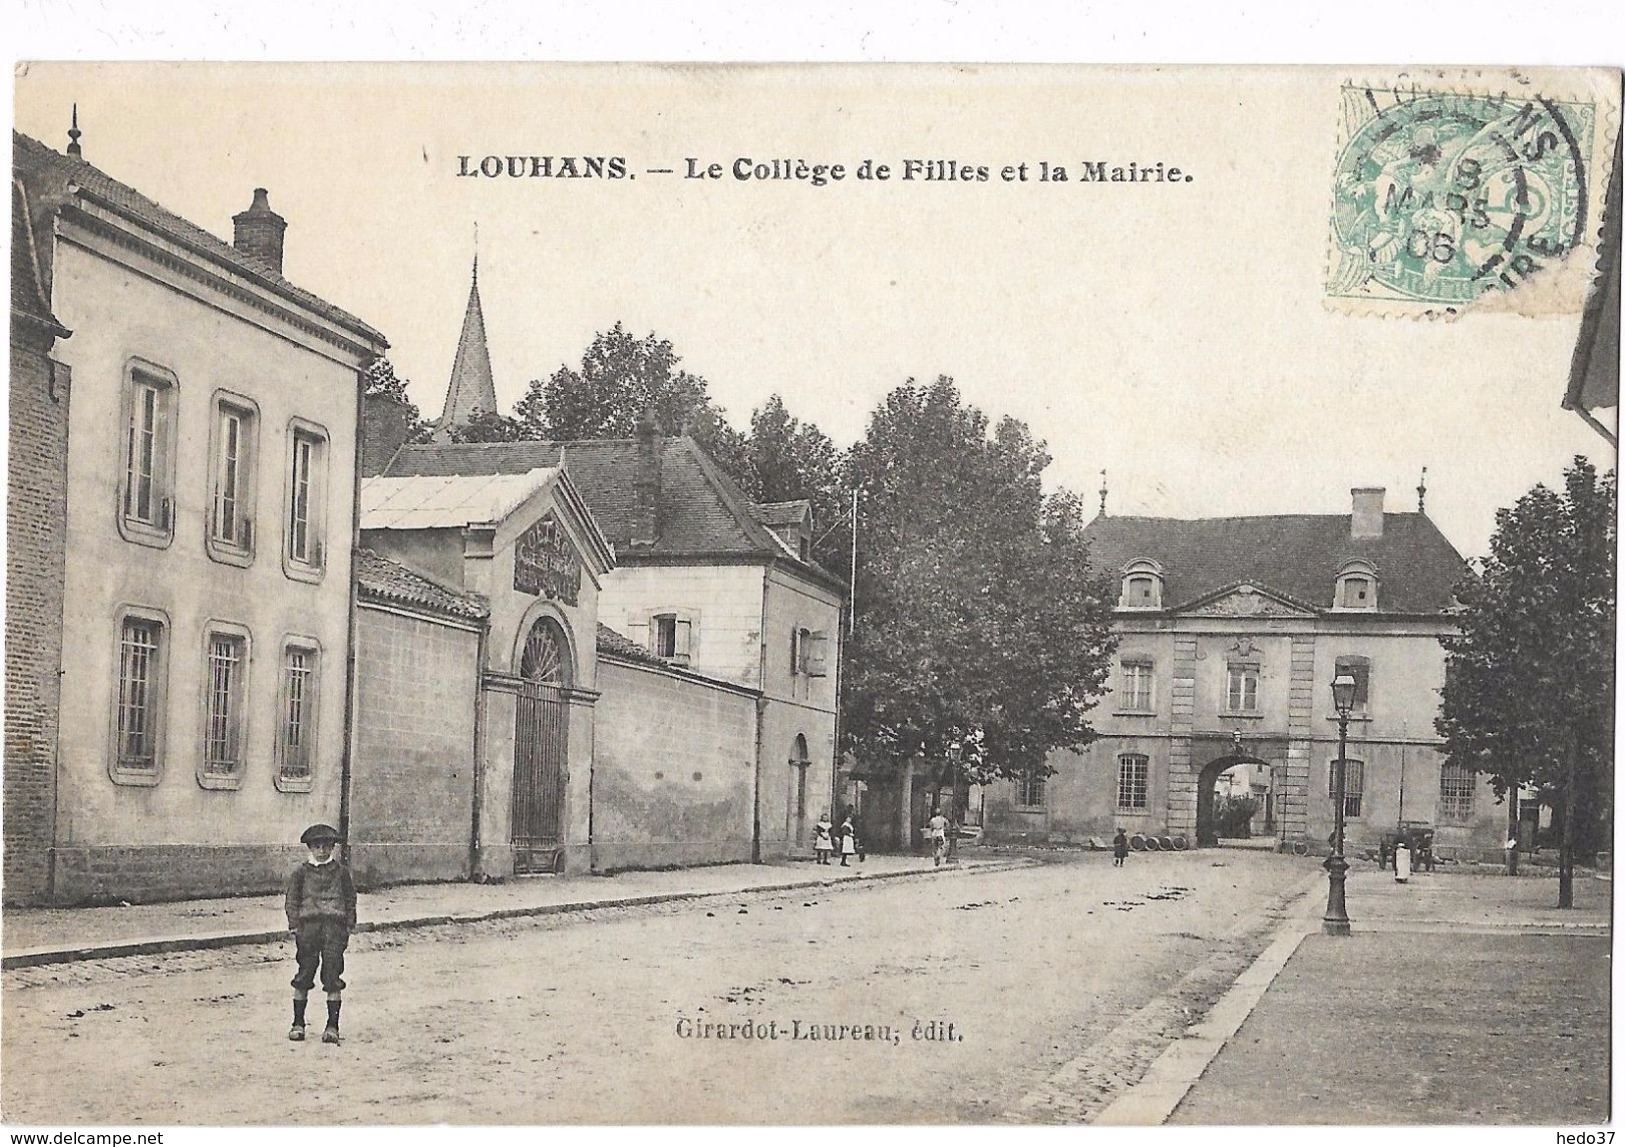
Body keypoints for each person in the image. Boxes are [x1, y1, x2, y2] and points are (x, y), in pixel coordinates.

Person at [285, 822, 357, 1045]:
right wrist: (295, 925)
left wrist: (348, 924)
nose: (323, 851)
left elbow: (350, 899)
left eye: (327, 846)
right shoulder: (300, 873)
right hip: (309, 927)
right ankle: (298, 1024)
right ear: (310, 848)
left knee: (333, 972)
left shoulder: (341, 873)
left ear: (333, 848)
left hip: (334, 927)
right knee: (305, 972)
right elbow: (292, 900)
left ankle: (332, 1026)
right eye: (318, 846)